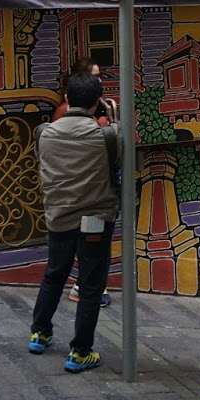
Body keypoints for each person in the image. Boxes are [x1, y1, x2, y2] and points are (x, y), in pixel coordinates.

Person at [28, 69, 120, 373]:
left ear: (67, 98)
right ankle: (80, 352)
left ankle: (39, 333)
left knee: (54, 275)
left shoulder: (44, 133)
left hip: (59, 217)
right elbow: (122, 160)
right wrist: (114, 119)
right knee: (91, 286)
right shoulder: (105, 135)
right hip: (95, 220)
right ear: (98, 102)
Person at [67, 57, 114, 307]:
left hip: (93, 190)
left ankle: (89, 285)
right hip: (85, 191)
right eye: (94, 76)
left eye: (99, 75)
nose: (99, 80)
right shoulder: (68, 113)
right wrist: (108, 121)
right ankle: (86, 287)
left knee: (96, 241)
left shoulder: (100, 108)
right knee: (91, 241)